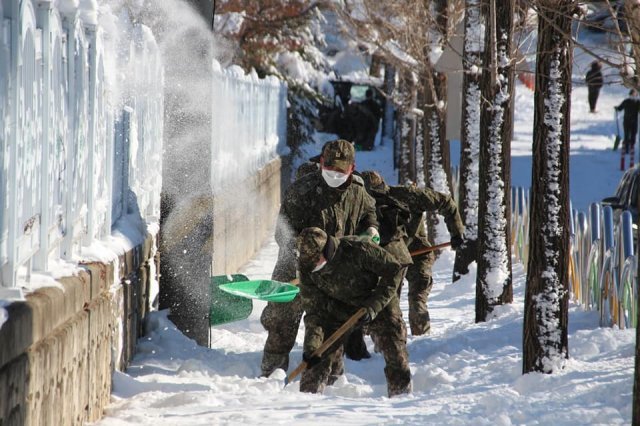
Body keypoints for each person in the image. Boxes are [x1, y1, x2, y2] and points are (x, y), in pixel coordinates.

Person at [260, 139, 379, 378]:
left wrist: (372, 229)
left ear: (351, 168)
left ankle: (327, 379)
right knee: (281, 325)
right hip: (293, 269)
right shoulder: (302, 191)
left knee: (329, 329)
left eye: (340, 170)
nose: (333, 174)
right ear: (321, 162)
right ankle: (270, 376)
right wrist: (309, 255)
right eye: (329, 167)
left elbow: (369, 213)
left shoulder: (358, 191)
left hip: (334, 274)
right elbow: (283, 234)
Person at [296, 227, 412, 397]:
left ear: (325, 251)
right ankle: (308, 405)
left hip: (377, 302)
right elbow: (314, 311)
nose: (312, 266)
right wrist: (312, 347)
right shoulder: (307, 267)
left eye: (315, 260)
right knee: (316, 358)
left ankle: (401, 398)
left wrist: (373, 306)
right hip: (338, 307)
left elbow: (394, 271)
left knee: (395, 349)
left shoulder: (359, 249)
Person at [360, 171, 465, 336]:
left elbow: (445, 202)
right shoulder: (361, 204)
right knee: (388, 304)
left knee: (415, 300)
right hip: (388, 259)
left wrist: (457, 233)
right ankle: (389, 340)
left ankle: (420, 338)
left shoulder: (408, 195)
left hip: (416, 253)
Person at [616, 89, 640, 170]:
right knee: (627, 134)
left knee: (633, 134)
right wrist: (617, 108)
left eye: (635, 95)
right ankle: (627, 148)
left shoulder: (637, 103)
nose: (633, 96)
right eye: (632, 95)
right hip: (628, 121)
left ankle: (631, 147)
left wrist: (617, 108)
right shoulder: (628, 101)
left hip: (632, 121)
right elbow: (620, 108)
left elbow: (619, 108)